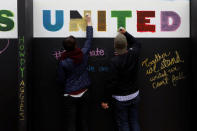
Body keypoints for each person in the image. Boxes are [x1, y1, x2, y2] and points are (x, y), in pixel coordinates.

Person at [57, 14, 93, 131]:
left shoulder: (63, 62)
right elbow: (89, 40)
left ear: (65, 48)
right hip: (84, 92)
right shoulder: (83, 54)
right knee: (84, 122)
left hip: (70, 94)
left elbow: (61, 79)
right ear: (76, 45)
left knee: (71, 124)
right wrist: (89, 22)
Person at [101, 27, 141, 131]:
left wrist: (105, 100)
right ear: (127, 45)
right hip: (135, 95)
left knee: (124, 124)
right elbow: (137, 44)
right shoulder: (134, 53)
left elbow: (111, 83)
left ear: (114, 46)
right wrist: (126, 33)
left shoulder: (114, 61)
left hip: (121, 99)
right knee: (134, 121)